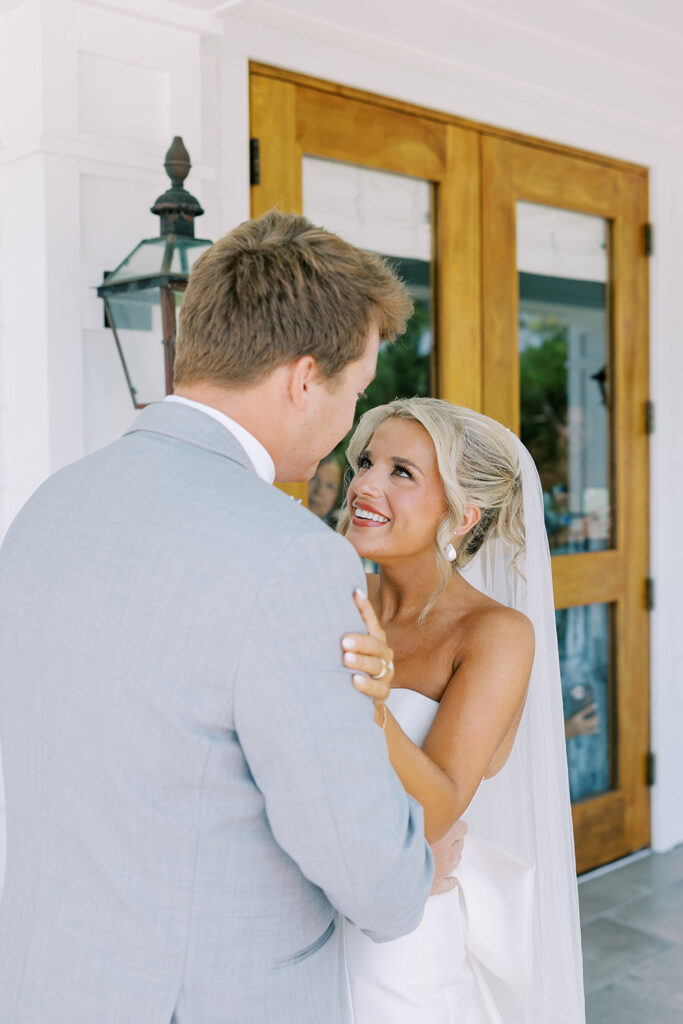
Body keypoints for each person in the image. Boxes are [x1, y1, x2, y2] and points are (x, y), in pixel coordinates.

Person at [0, 212, 455, 1024]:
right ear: (304, 378)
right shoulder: (292, 556)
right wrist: (419, 864)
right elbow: (367, 872)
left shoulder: (47, 505)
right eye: (355, 392)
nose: (348, 423)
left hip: (50, 983)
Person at [336, 397, 585, 1023]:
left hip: (399, 946)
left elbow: (437, 807)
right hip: (305, 914)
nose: (363, 483)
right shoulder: (330, 596)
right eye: (365, 463)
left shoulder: (495, 634)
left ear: (462, 516)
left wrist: (374, 703)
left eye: (401, 472)